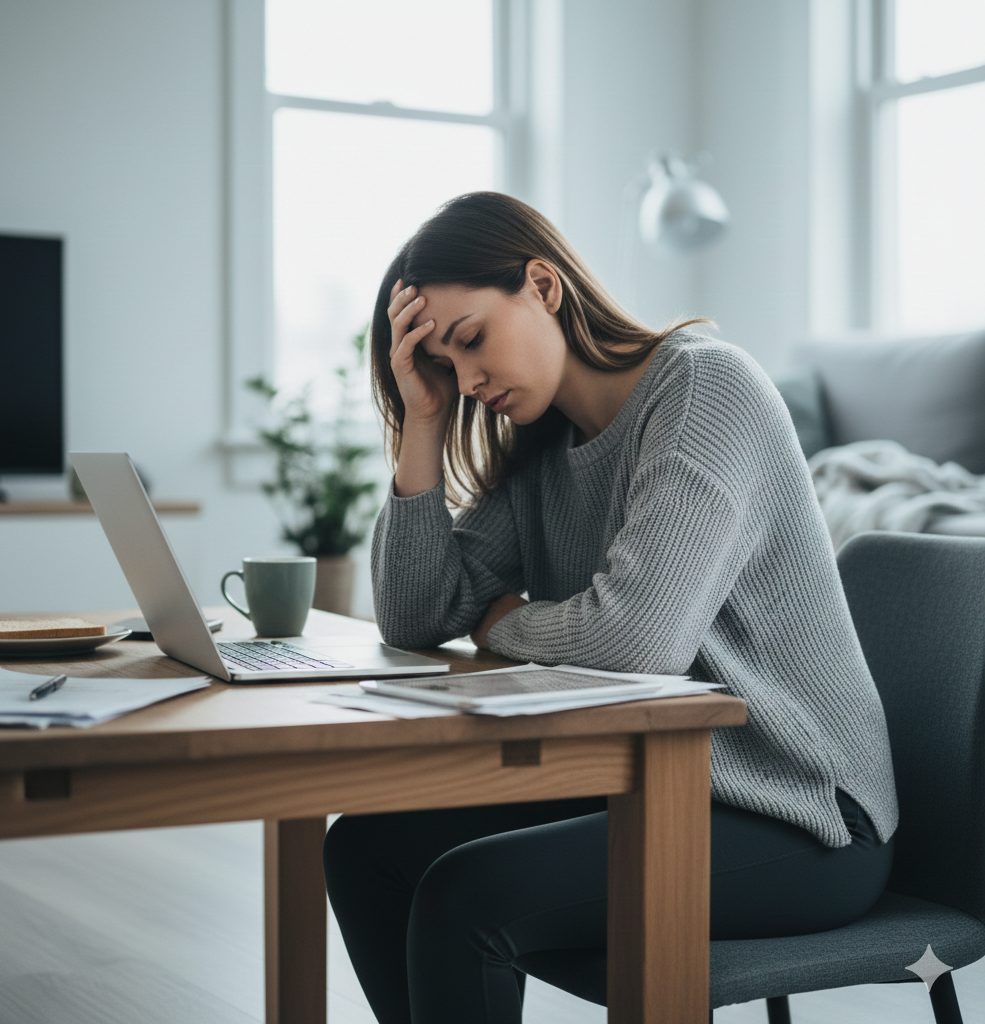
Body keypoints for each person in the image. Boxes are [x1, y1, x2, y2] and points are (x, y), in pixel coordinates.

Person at [323, 192, 898, 1024]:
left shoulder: (705, 388)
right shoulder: (540, 447)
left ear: (544, 286)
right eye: (445, 364)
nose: (470, 379)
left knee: (462, 895)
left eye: (473, 340)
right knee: (366, 849)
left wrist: (500, 624)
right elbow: (416, 617)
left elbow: (636, 638)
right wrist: (421, 423)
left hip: (801, 812)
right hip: (653, 782)